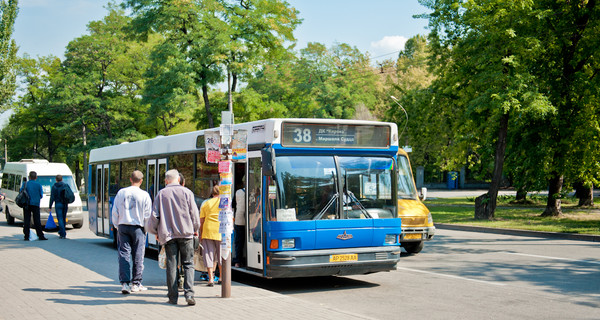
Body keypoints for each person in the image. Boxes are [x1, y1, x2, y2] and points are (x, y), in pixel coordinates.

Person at [146, 169, 199, 306]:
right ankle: (189, 294)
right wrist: (195, 229)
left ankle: (173, 297)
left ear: (166, 180)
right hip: (186, 233)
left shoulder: (161, 194)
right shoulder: (187, 192)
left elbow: (154, 215)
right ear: (178, 179)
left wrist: (154, 231)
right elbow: (194, 214)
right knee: (188, 264)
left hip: (168, 235)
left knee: (172, 265)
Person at [111, 170, 152, 295]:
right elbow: (147, 215)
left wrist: (117, 225)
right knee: (138, 255)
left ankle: (124, 283)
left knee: (124, 254)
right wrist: (146, 229)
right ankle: (136, 283)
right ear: (141, 181)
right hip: (138, 228)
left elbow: (115, 211)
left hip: (123, 225)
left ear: (130, 179)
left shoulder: (121, 192)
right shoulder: (144, 195)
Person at [199, 185, 222, 286]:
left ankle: (211, 279)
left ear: (212, 193)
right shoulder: (224, 203)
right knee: (221, 255)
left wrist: (200, 233)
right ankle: (221, 277)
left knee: (209, 254)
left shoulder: (206, 203)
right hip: (221, 231)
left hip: (208, 230)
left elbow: (201, 220)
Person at [21, 172, 47, 241]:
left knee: (27, 220)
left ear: (29, 177)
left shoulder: (25, 184)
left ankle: (26, 236)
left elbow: (21, 192)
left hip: (26, 204)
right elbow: (41, 195)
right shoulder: (38, 185)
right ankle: (40, 235)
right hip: (35, 204)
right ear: (36, 177)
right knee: (37, 220)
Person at [49, 175, 70, 239]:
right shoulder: (65, 185)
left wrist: (50, 206)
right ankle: (62, 232)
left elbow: (52, 197)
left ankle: (62, 233)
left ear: (56, 179)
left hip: (58, 204)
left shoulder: (54, 187)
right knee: (64, 217)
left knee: (60, 218)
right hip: (65, 204)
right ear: (62, 179)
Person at [233, 181, 245, 267]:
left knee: (239, 242)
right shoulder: (255, 192)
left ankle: (238, 261)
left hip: (239, 220)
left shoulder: (238, 192)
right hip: (252, 220)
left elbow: (233, 205)